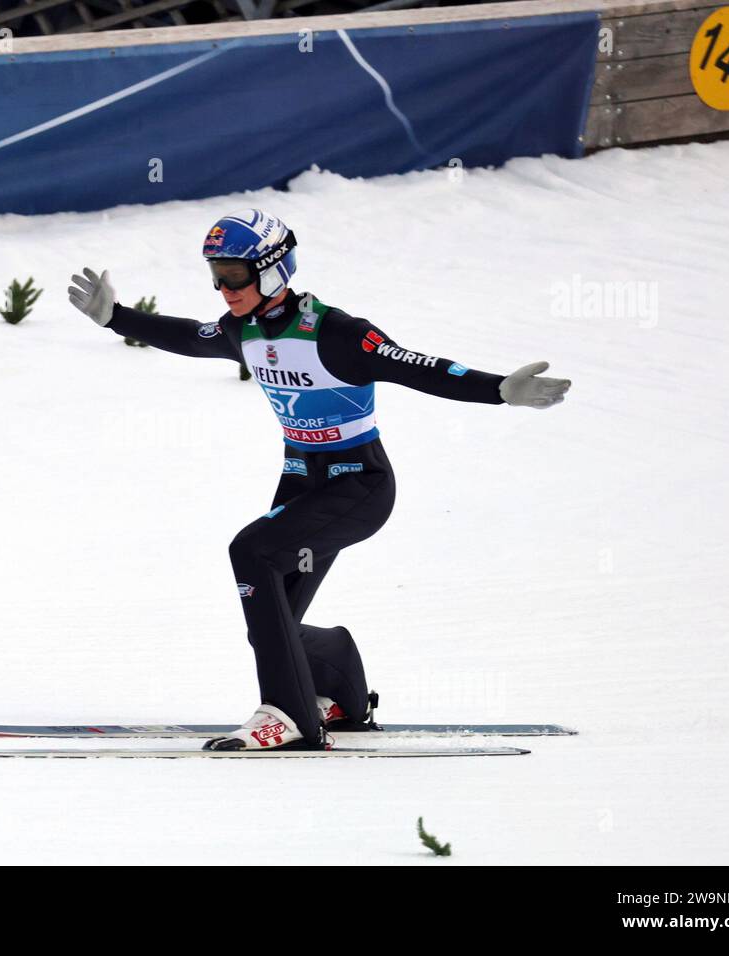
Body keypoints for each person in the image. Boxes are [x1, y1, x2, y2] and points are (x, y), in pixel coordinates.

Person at [68, 208, 571, 751]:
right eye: (215, 274)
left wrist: (498, 389)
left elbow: (419, 366)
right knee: (271, 619)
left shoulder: (337, 334)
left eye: (234, 274)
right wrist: (115, 316)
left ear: (271, 269)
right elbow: (191, 337)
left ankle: (286, 717)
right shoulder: (245, 329)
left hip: (358, 486)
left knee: (252, 553)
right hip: (301, 483)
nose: (223, 288)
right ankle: (338, 691)